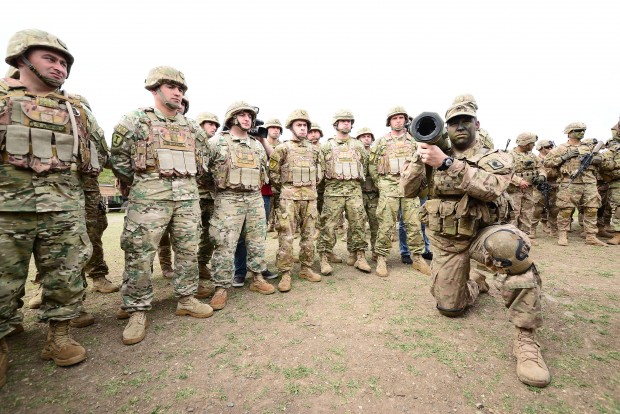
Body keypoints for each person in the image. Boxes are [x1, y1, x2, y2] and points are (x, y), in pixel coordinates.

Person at [403, 99, 550, 388]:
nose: (460, 126)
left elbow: (492, 187)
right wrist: (420, 159)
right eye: (454, 122)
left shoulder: (494, 156)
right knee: (449, 308)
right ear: (446, 128)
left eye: (465, 121)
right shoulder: (432, 155)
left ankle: (526, 340)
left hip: (485, 233)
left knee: (512, 248)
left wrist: (447, 163)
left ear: (476, 125)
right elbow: (407, 190)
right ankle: (475, 283)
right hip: (447, 241)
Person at [0, 29, 109, 386]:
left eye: (63, 62)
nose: (59, 67)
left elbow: (98, 153)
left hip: (63, 209)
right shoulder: (1, 97)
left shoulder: (76, 108)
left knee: (64, 276)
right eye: (50, 58)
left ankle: (58, 336)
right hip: (6, 210)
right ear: (21, 58)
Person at [110, 66, 214, 346]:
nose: (178, 92)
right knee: (139, 254)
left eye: (181, 88)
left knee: (188, 250)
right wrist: (144, 184)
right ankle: (137, 310)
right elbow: (118, 159)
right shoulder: (134, 121)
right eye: (171, 87)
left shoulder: (192, 127)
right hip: (149, 200)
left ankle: (187, 298)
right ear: (154, 89)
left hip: (187, 200)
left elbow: (204, 159)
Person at [208, 101, 275, 311]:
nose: (247, 119)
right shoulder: (217, 142)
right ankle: (221, 287)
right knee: (225, 243)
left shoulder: (256, 145)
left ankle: (257, 278)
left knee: (256, 240)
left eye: (249, 116)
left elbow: (264, 170)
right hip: (228, 198)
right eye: (242, 115)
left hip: (254, 198)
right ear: (232, 118)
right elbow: (204, 171)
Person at [369, 106, 430, 277]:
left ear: (405, 120)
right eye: (394, 118)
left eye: (401, 118)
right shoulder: (381, 142)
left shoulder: (413, 141)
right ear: (389, 122)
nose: (398, 121)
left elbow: (421, 164)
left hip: (409, 189)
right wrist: (381, 184)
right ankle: (381, 258)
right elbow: (372, 166)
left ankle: (417, 257)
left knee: (414, 223)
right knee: (386, 224)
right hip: (388, 188)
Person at [269, 109, 323, 291]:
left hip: (310, 198)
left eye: (305, 125)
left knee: (308, 235)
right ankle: (285, 273)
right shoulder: (282, 148)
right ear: (291, 127)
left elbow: (319, 173)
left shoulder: (314, 150)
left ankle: (306, 268)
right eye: (299, 125)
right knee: (286, 235)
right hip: (289, 199)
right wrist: (287, 188)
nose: (302, 128)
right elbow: (273, 174)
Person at [316, 109, 371, 275]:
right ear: (336, 124)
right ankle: (324, 258)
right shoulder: (326, 146)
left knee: (358, 223)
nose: (346, 123)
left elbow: (365, 167)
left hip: (354, 190)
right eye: (343, 121)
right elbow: (321, 171)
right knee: (328, 225)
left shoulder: (358, 145)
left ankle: (359, 256)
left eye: (349, 121)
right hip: (333, 191)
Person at [543, 123, 607, 246]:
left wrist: (593, 159)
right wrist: (564, 157)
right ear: (569, 132)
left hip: (589, 181)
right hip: (569, 181)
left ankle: (591, 236)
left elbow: (601, 159)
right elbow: (547, 162)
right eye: (578, 130)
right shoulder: (561, 148)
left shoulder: (589, 147)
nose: (582, 132)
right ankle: (562, 234)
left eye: (583, 130)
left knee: (592, 208)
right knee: (566, 209)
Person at [194, 111, 221, 280]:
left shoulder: (215, 145)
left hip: (211, 197)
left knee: (210, 234)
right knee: (188, 235)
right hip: (193, 196)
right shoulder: (191, 143)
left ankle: (201, 263)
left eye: (216, 125)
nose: (214, 127)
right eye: (210, 124)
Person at [508, 132, 546, 237]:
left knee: (527, 213)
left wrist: (542, 176)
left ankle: (524, 236)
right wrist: (518, 181)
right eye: (532, 143)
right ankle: (511, 237)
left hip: (529, 190)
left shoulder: (532, 156)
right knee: (513, 213)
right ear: (526, 143)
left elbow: (541, 168)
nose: (534, 145)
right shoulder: (509, 155)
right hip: (514, 190)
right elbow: (505, 172)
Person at [352, 127, 380, 261]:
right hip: (359, 194)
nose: (366, 139)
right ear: (358, 139)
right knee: (356, 225)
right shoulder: (353, 154)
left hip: (375, 194)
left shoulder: (377, 154)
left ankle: (375, 251)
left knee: (376, 224)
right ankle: (354, 252)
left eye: (369, 136)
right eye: (363, 136)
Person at [531, 140, 559, 236]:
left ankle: (554, 230)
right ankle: (532, 230)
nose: (550, 149)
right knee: (537, 209)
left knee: (554, 209)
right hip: (540, 187)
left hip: (554, 186)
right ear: (541, 148)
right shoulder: (535, 159)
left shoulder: (556, 159)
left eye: (552, 147)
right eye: (548, 147)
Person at [600, 119, 620, 244]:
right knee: (618, 209)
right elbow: (604, 165)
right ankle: (618, 235)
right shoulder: (614, 149)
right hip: (617, 183)